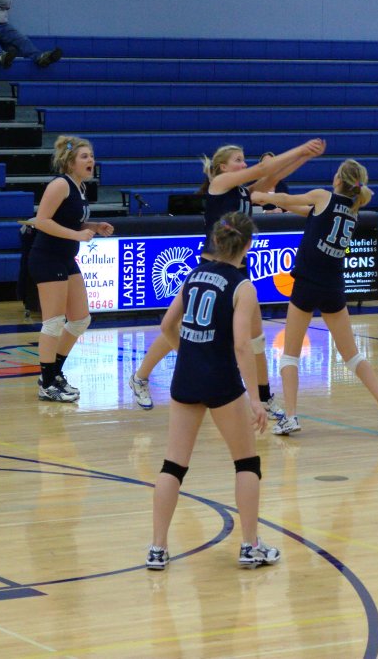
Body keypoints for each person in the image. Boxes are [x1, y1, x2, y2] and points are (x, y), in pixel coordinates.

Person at [127, 139, 326, 413]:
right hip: (212, 268)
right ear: (222, 167)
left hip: (239, 268)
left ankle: (264, 396)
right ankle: (140, 377)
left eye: (244, 159)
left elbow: (273, 177)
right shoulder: (219, 184)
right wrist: (300, 149)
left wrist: (305, 157)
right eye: (238, 160)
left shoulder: (243, 191)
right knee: (184, 327)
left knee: (256, 337)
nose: (243, 164)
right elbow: (262, 169)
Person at [146, 211, 281, 571]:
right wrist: (256, 399)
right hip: (220, 379)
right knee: (246, 462)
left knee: (173, 464)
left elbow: (166, 325)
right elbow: (242, 345)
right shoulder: (243, 286)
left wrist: (188, 354)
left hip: (186, 378)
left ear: (217, 241)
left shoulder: (193, 275)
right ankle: (250, 546)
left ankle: (157, 548)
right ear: (247, 246)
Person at [249, 159, 378, 435]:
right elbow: (307, 212)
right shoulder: (353, 210)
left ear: (338, 179)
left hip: (307, 283)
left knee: (289, 356)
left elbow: (290, 199)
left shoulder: (322, 196)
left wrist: (262, 196)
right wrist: (276, 202)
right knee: (352, 356)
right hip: (333, 286)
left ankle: (291, 417)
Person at [30, 136, 114, 402]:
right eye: (84, 156)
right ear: (70, 162)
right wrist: (77, 235)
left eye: (92, 156)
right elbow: (41, 221)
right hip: (47, 257)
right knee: (54, 322)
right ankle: (46, 383)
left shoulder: (80, 187)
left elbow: (68, 222)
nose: (91, 160)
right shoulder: (60, 184)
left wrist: (93, 226)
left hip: (65, 258)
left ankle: (54, 373)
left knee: (80, 319)